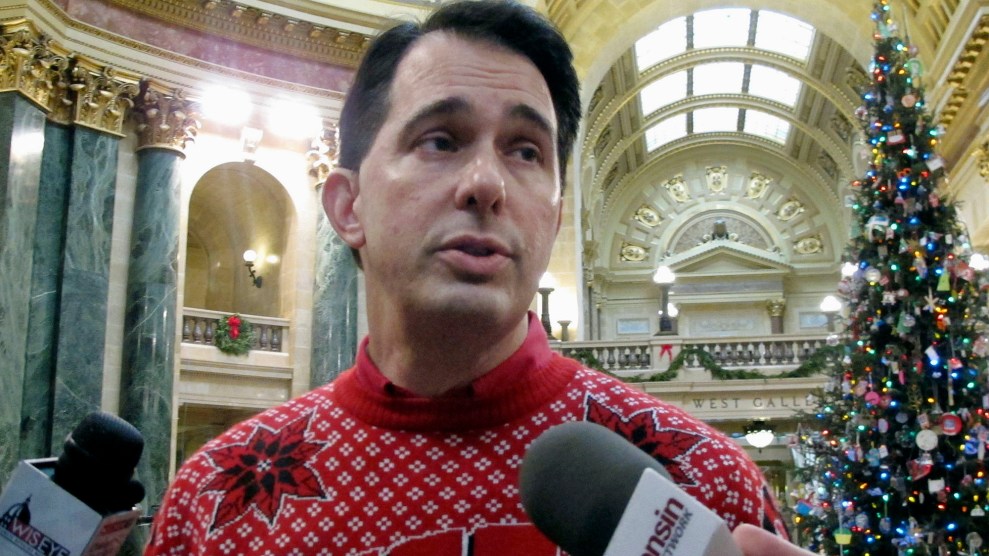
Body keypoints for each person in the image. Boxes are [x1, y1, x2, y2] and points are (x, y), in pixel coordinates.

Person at [145, 1, 813, 554]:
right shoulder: (216, 499)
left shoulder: (702, 486)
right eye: (440, 139)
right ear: (348, 206)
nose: (487, 184)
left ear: (553, 218)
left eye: (525, 151)